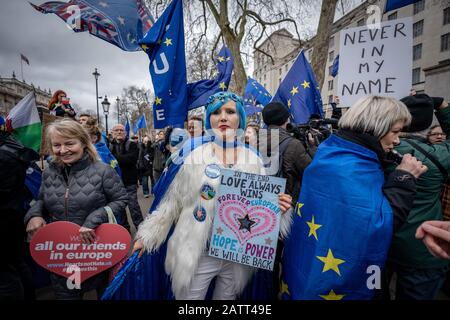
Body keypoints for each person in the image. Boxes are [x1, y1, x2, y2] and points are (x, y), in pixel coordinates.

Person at [103, 91, 293, 300]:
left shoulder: (254, 159)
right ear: (209, 119)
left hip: (237, 253)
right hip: (197, 251)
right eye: (216, 112)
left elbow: (260, 206)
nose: (223, 117)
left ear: (240, 118)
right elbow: (171, 203)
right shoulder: (193, 156)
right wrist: (148, 236)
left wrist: (279, 208)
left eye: (230, 111)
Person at [282, 95, 427, 300]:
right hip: (334, 282)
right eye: (394, 131)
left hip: (308, 268)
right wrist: (405, 179)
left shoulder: (333, 153)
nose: (397, 140)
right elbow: (379, 224)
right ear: (375, 127)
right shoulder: (350, 168)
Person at [24, 119, 128, 300]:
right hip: (63, 251)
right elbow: (42, 199)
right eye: (57, 145)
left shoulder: (103, 170)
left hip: (99, 248)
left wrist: (95, 218)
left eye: (69, 143)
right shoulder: (49, 172)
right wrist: (34, 215)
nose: (63, 150)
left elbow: (120, 199)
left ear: (83, 142)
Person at [387, 94, 450, 300]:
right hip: (424, 246)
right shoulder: (441, 154)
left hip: (385, 240)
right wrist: (442, 106)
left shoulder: (384, 148)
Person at [0, 127, 39, 300]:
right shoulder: (11, 150)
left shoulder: (5, 155)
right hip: (12, 218)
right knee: (16, 264)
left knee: (6, 276)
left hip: (6, 220)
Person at [110, 125, 143, 231]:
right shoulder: (109, 146)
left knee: (133, 206)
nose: (119, 132)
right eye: (116, 130)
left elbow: (131, 159)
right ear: (112, 132)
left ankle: (141, 229)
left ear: (125, 132)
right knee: (120, 208)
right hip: (115, 182)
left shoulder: (132, 144)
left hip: (130, 181)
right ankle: (124, 230)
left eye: (121, 130)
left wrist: (113, 158)